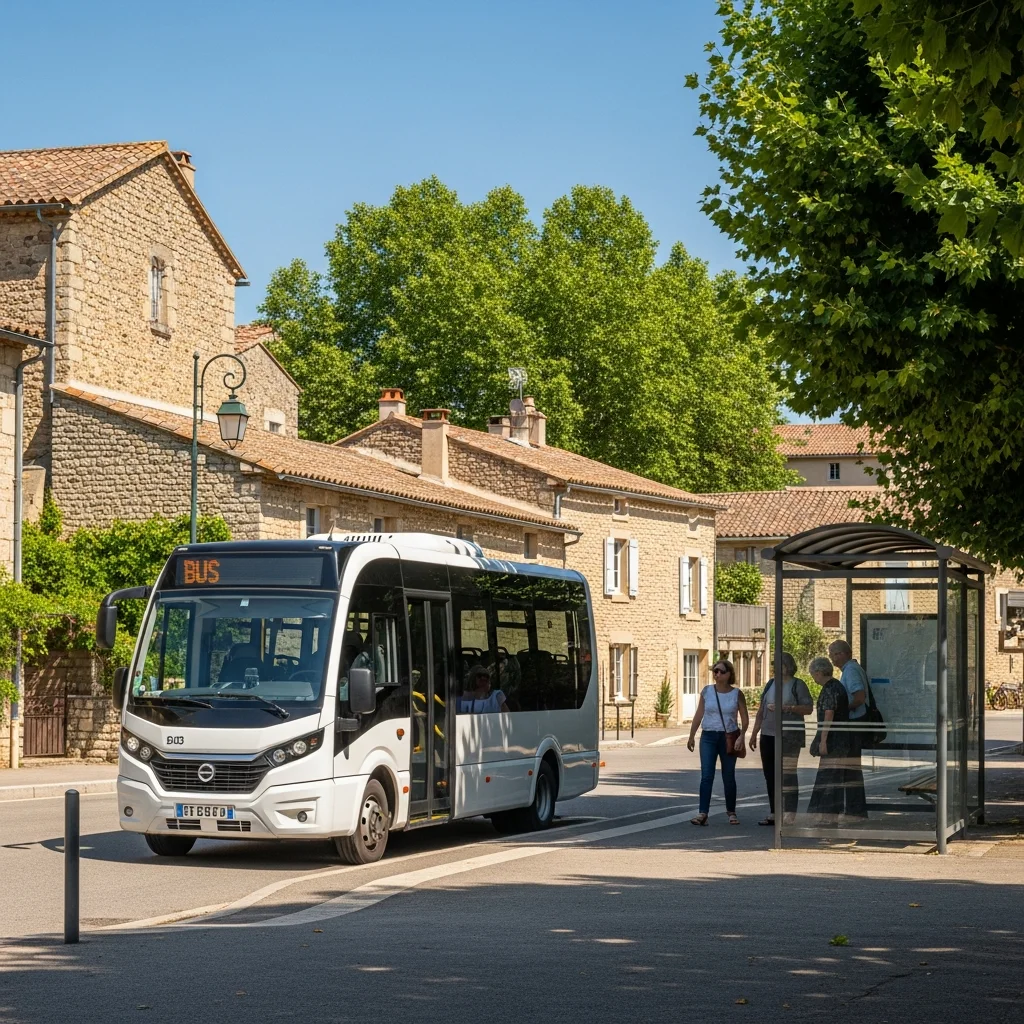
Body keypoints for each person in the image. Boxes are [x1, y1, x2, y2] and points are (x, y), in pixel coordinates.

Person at [749, 652, 813, 826]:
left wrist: (788, 708)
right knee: (770, 775)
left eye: (780, 664)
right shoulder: (771, 683)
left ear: (788, 666)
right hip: (768, 734)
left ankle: (789, 813)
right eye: (774, 664)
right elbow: (761, 710)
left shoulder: (797, 685)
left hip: (789, 734)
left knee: (788, 775)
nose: (776, 668)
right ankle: (774, 812)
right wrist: (754, 733)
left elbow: (808, 709)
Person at [687, 659, 749, 826]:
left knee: (728, 776)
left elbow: (744, 718)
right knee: (706, 775)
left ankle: (731, 812)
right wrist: (692, 735)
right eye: (715, 671)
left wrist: (742, 736)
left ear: (729, 674)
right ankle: (702, 813)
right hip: (708, 736)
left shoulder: (737, 694)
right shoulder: (707, 691)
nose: (717, 674)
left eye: (721, 671)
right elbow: (699, 714)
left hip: (728, 737)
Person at [807, 656, 851, 826]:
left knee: (829, 777)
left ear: (818, 673)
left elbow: (828, 715)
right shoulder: (837, 686)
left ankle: (826, 815)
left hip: (834, 741)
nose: (813, 678)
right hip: (840, 739)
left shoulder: (830, 689)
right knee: (834, 777)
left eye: (813, 675)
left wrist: (823, 741)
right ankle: (829, 814)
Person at [828, 639, 869, 821]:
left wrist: (842, 710)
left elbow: (859, 697)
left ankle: (855, 811)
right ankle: (855, 810)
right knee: (852, 769)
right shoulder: (851, 669)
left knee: (851, 769)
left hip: (853, 724)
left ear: (841, 654)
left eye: (833, 654)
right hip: (854, 724)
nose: (831, 659)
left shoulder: (851, 671)